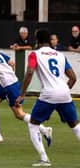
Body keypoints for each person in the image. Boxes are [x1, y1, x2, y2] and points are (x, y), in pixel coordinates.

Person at [0, 39, 52, 145]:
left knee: (19, 114)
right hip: (6, 83)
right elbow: (12, 62)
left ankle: (44, 129)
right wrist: (9, 74)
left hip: (9, 85)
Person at [16, 29, 80, 166]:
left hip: (49, 94)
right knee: (74, 125)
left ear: (37, 40)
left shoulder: (35, 54)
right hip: (64, 93)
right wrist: (63, 92)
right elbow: (73, 78)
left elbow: (30, 72)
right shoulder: (60, 55)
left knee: (33, 124)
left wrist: (22, 94)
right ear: (50, 40)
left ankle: (44, 158)